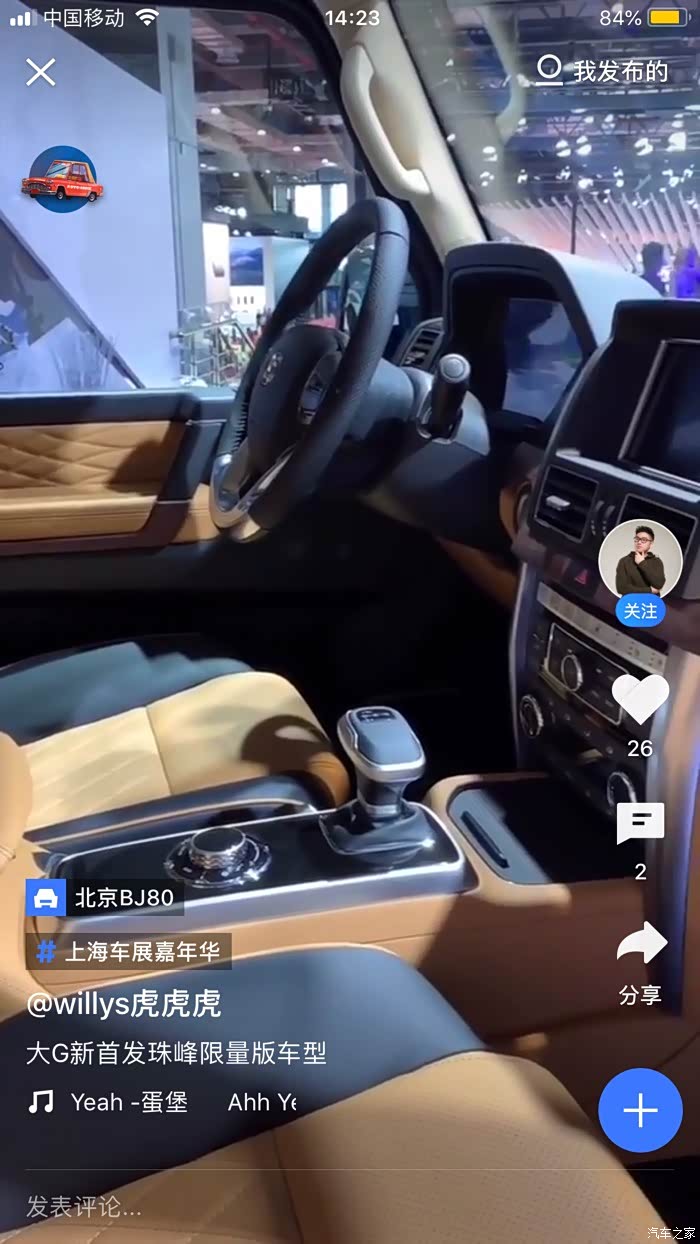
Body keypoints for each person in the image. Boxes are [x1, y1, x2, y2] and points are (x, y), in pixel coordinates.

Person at [615, 526, 666, 596]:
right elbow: (621, 588)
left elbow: (659, 584)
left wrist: (642, 563)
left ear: (651, 543)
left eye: (644, 540)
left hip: (652, 601)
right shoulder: (624, 561)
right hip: (630, 601)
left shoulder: (657, 561)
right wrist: (650, 590)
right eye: (637, 539)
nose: (639, 542)